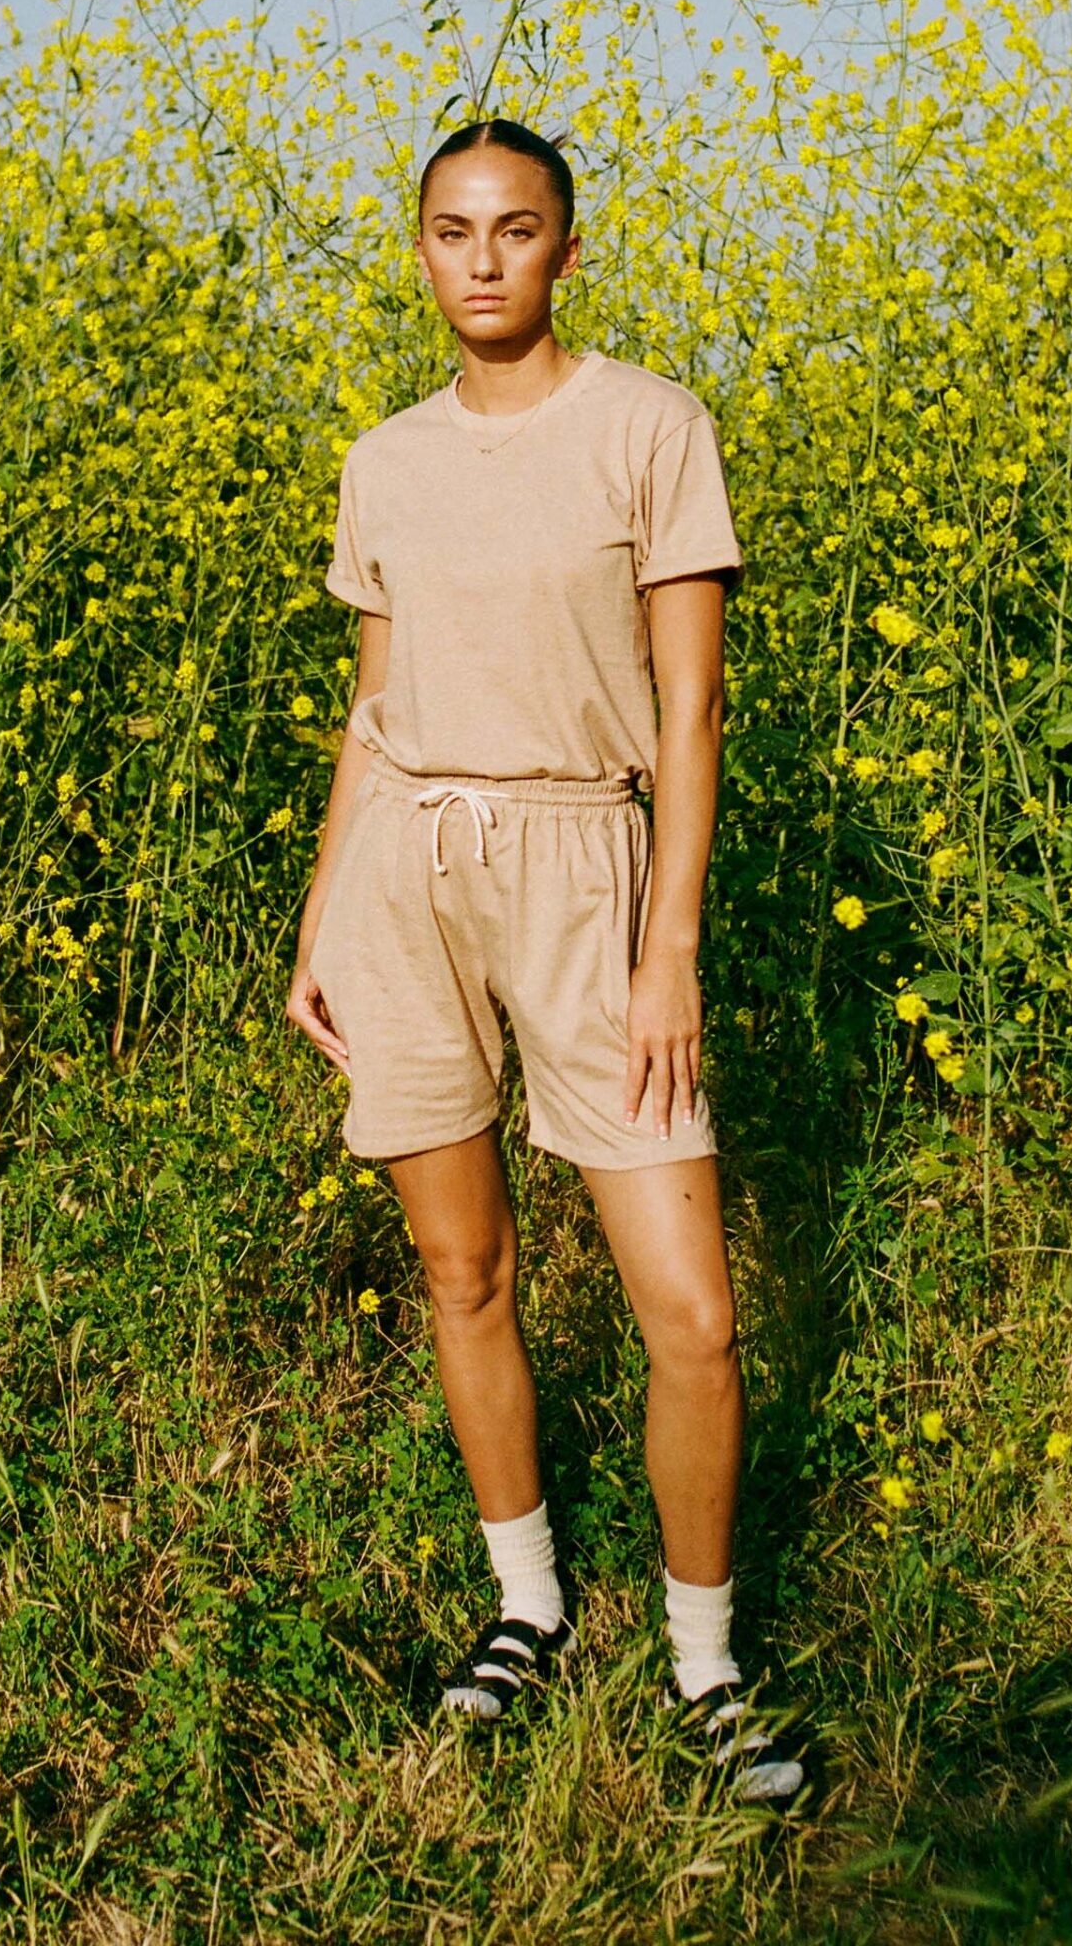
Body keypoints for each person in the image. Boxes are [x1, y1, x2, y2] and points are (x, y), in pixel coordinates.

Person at [286, 118, 804, 1804]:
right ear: (419, 249)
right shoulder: (387, 457)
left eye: (517, 230)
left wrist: (671, 956)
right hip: (405, 878)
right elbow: (376, 707)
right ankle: (523, 1610)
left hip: (593, 872)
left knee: (694, 1312)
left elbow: (692, 714)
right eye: (452, 230)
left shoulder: (650, 428)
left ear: (567, 251)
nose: (484, 259)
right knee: (466, 1275)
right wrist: (318, 916)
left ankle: (705, 1660)